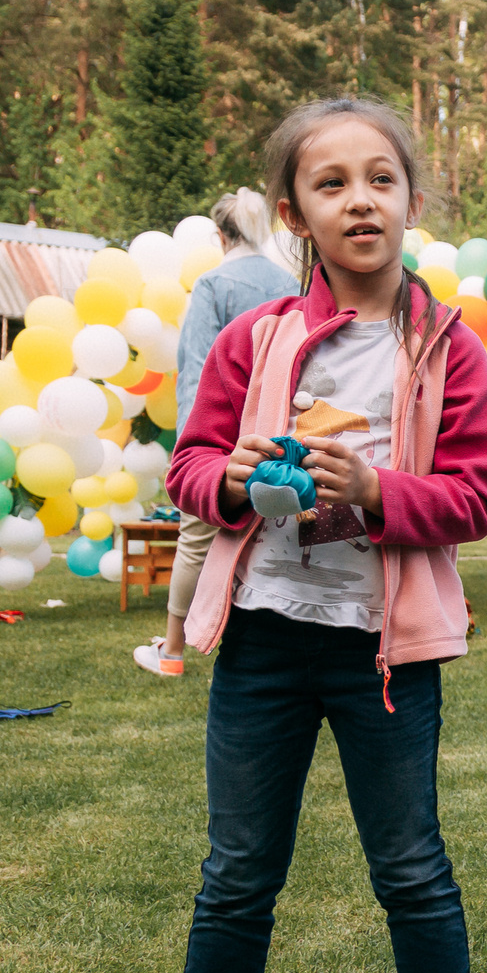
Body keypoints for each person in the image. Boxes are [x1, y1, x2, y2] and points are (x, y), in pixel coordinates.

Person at [93, 98, 487, 973]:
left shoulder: (449, 348)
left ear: (412, 199)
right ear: (295, 215)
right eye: (332, 184)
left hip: (383, 649)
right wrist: (222, 478)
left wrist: (374, 491)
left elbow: (474, 498)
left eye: (382, 178)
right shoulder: (254, 338)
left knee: (409, 865)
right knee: (236, 870)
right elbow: (187, 467)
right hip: (266, 640)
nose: (360, 198)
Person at [134, 189, 297, 678]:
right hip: (283, 439)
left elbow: (197, 373)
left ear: (219, 234)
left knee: (197, 541)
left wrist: (191, 453)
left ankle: (173, 652)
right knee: (276, 539)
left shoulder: (212, 283)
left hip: (224, 443)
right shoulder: (291, 282)